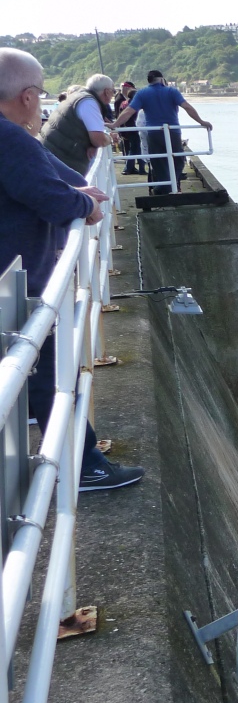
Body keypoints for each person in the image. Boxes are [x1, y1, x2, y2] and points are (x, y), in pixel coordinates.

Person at [0, 48, 143, 491]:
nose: (41, 103)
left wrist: (80, 190)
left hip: (11, 282)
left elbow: (47, 168)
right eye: (40, 94)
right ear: (27, 96)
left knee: (32, 375)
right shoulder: (8, 138)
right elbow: (52, 197)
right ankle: (84, 467)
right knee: (54, 376)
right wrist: (85, 204)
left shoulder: (12, 138)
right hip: (19, 284)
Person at [112, 70, 211, 195]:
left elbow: (128, 111)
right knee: (178, 159)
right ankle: (171, 185)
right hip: (172, 131)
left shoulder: (142, 93)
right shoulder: (172, 91)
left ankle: (164, 186)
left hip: (153, 133)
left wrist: (115, 125)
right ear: (161, 79)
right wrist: (201, 121)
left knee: (158, 161)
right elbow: (187, 107)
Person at [39, 73, 117, 174]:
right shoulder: (89, 103)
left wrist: (92, 143)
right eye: (113, 91)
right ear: (107, 91)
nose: (113, 95)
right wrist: (109, 138)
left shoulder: (78, 97)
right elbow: (98, 140)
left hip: (50, 154)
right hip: (60, 159)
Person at [113, 81, 144, 175]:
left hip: (126, 128)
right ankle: (130, 168)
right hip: (134, 128)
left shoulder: (123, 103)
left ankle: (136, 168)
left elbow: (119, 115)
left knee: (133, 149)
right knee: (135, 149)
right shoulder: (133, 105)